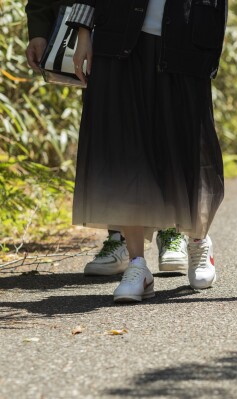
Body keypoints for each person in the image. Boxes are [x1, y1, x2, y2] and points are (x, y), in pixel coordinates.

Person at [65, 0, 237, 302]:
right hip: (118, 35)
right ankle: (137, 266)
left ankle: (199, 242)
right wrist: (83, 31)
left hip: (188, 41)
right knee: (126, 149)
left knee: (189, 150)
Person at [25, 0, 191, 277]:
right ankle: (120, 237)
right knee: (115, 136)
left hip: (164, 29)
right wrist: (40, 28)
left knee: (166, 127)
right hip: (97, 33)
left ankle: (171, 230)